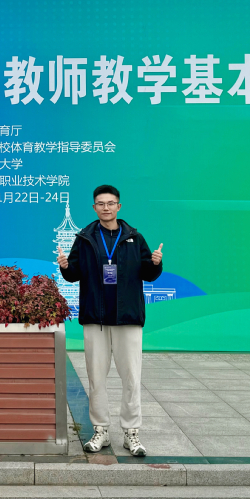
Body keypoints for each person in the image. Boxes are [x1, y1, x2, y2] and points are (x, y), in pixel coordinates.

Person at [57, 185, 163, 457]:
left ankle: (131, 433)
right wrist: (65, 267)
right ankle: (100, 430)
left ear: (119, 206)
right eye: (101, 204)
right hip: (96, 319)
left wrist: (155, 263)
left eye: (111, 203)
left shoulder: (134, 237)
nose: (106, 207)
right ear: (94, 208)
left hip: (128, 319)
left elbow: (148, 274)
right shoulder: (85, 238)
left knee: (132, 378)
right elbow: (74, 274)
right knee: (96, 378)